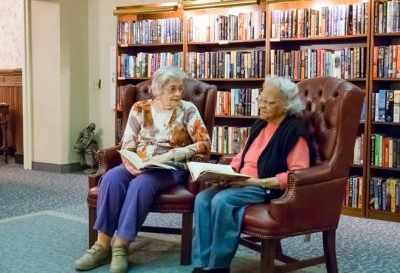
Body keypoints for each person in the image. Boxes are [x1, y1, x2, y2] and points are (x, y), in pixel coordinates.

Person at [74, 66, 211, 273]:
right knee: (111, 178)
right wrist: (131, 164)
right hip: (140, 162)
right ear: (158, 90)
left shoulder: (188, 110)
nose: (178, 94)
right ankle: (102, 245)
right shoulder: (140, 108)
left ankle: (121, 245)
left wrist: (176, 154)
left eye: (180, 89)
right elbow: (127, 143)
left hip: (170, 167)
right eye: (172, 89)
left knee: (141, 185)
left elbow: (204, 143)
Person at [191, 76, 314, 273]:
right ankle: (202, 261)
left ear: (285, 105)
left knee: (222, 201)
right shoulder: (260, 124)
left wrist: (258, 182)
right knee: (202, 198)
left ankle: (218, 266)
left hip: (264, 187)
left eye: (268, 102)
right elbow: (242, 155)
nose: (261, 106)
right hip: (241, 181)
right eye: (261, 100)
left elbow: (298, 173)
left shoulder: (294, 131)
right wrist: (228, 173)